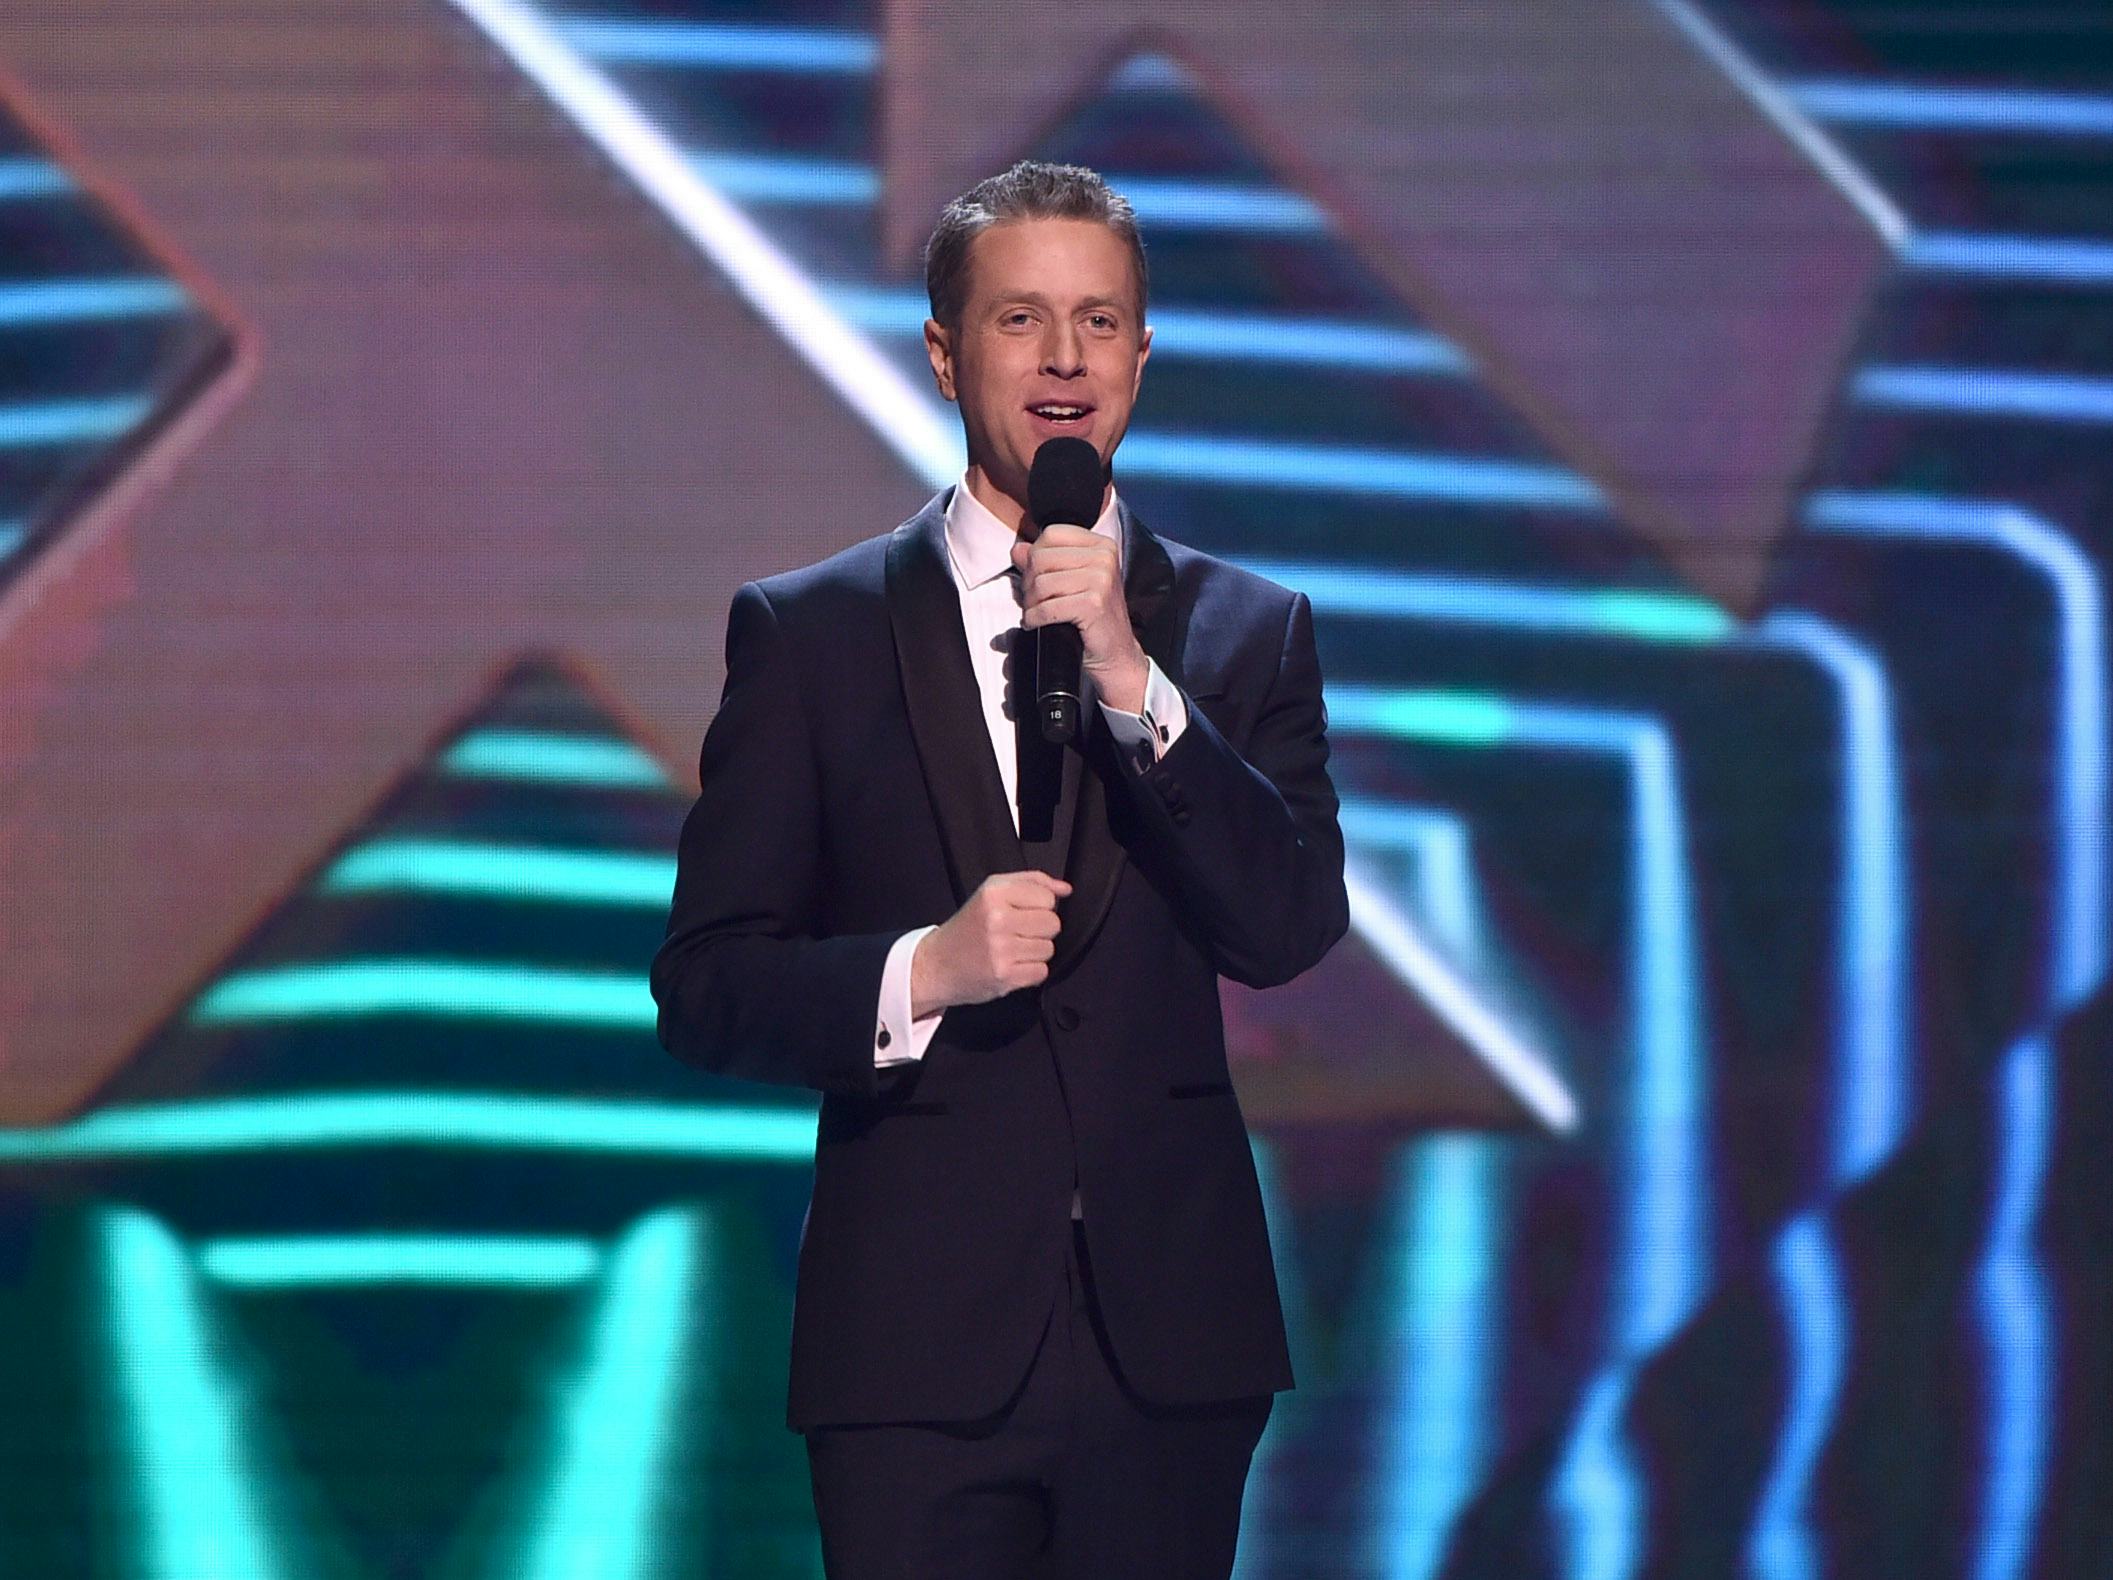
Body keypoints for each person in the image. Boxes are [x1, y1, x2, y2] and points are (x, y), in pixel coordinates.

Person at [651, 159, 1349, 1579]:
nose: (1064, 359)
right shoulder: (811, 635)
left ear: (1142, 356)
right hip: (912, 1349)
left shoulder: (1246, 633)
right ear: (944, 353)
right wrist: (924, 970)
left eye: (1100, 322)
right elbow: (708, 984)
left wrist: (1134, 682)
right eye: (1021, 319)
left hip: (1171, 1343)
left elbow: (1285, 925)